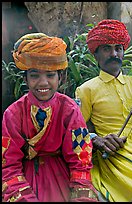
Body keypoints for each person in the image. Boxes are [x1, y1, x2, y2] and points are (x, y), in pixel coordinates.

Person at [2, 33, 99, 202]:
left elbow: (81, 159)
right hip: (24, 178)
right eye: (34, 75)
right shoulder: (13, 113)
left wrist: (80, 196)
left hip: (62, 178)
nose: (43, 83)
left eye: (50, 75)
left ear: (60, 77)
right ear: (25, 78)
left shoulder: (70, 110)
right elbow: (8, 165)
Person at [75, 19, 132, 202]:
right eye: (107, 49)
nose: (114, 53)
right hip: (115, 158)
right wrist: (96, 140)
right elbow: (76, 132)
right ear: (96, 55)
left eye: (118, 48)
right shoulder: (86, 90)